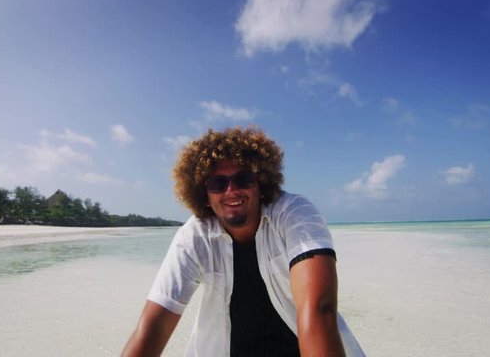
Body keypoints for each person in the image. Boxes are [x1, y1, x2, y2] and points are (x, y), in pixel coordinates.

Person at [122, 126, 364, 356]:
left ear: (261, 184)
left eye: (243, 179)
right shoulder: (194, 237)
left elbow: (319, 308)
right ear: (204, 195)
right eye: (218, 184)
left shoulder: (294, 215)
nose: (231, 191)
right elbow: (155, 323)